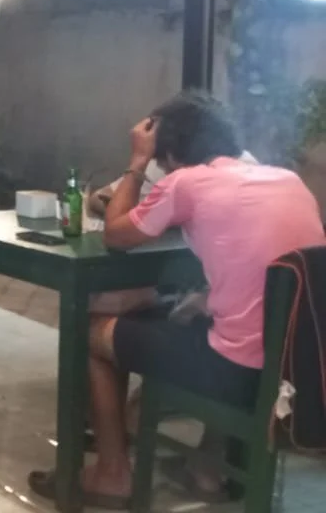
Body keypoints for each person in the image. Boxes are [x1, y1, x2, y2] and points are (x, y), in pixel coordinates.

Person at [28, 91, 326, 508]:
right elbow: (266, 275)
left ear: (168, 153)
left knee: (90, 329)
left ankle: (112, 473)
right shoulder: (287, 180)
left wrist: (135, 163)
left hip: (237, 375)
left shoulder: (185, 182)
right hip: (297, 369)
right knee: (205, 323)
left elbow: (115, 235)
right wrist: (205, 298)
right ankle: (207, 467)